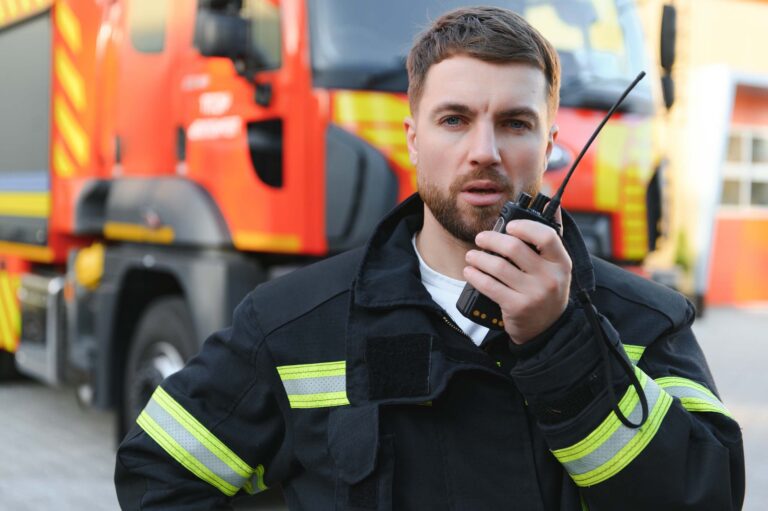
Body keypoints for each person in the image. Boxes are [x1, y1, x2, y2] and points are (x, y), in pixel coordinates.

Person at [115, 6, 744, 510]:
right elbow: (157, 474)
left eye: (516, 123)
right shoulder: (290, 322)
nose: (484, 151)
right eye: (454, 119)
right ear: (413, 138)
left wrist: (564, 344)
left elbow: (707, 496)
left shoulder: (646, 320)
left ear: (551, 144)